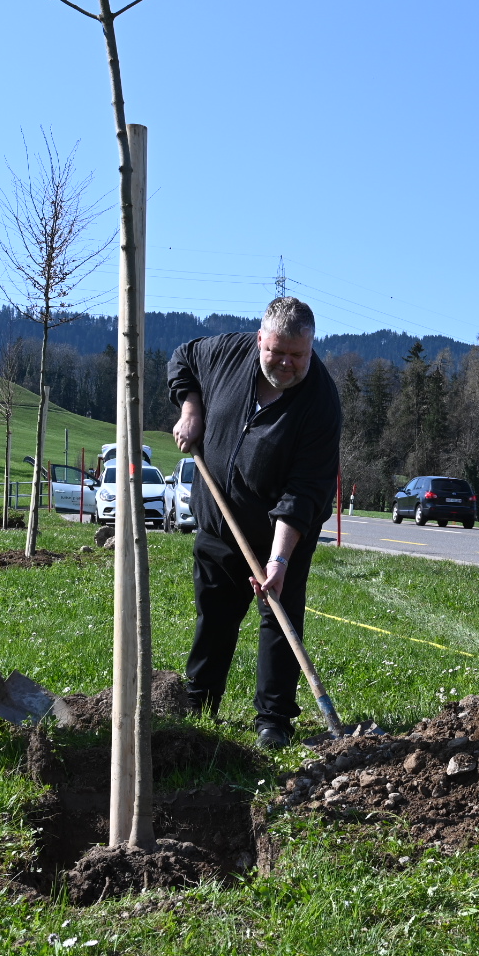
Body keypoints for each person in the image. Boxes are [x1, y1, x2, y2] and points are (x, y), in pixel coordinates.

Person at [167, 296, 342, 750]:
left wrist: (279, 559)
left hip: (281, 533)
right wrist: (191, 409)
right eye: (276, 351)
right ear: (259, 338)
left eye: (297, 356)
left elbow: (305, 491)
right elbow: (182, 359)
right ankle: (200, 701)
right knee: (214, 616)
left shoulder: (320, 402)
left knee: (278, 619)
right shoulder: (226, 351)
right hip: (217, 523)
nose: (285, 363)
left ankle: (274, 719)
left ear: (311, 347)